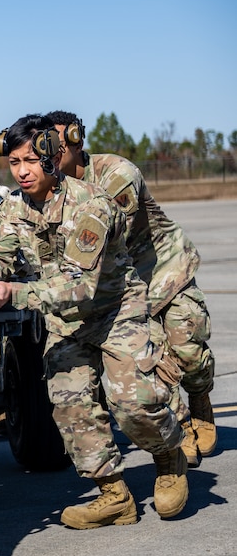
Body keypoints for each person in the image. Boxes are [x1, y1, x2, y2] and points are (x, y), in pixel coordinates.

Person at [0, 114, 186, 529]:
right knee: (71, 406)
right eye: (14, 162)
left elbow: (78, 287)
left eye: (31, 161)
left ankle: (169, 459)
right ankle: (114, 495)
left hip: (113, 312)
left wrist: (13, 293)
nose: (22, 171)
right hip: (66, 322)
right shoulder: (14, 206)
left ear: (53, 157)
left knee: (133, 403)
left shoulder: (91, 204)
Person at [45, 110, 216, 466]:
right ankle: (179, 427)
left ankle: (200, 397)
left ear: (77, 140)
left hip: (164, 269)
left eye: (58, 143)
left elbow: (104, 237)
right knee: (148, 363)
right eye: (45, 146)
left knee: (188, 352)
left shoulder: (116, 175)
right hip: (123, 285)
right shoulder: (53, 187)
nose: (52, 152)